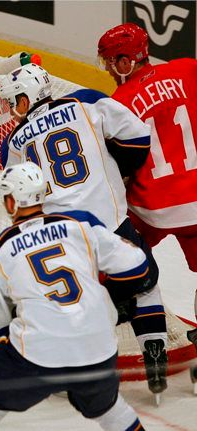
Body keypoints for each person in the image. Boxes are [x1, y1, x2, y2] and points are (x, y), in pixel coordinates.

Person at [0, 161, 151, 430]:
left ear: (12, 201)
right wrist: (109, 302)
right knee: (111, 410)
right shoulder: (80, 223)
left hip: (39, 354)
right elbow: (137, 267)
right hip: (99, 348)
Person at [0, 63, 169, 398]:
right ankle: (155, 353)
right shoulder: (86, 101)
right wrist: (116, 165)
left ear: (25, 98)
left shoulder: (13, 142)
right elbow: (137, 135)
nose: (10, 110)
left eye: (12, 101)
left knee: (73, 297)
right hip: (109, 219)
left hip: (62, 234)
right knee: (145, 283)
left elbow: (17, 196)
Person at [97, 22, 197, 385]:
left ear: (126, 61)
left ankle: (128, 316)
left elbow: (117, 167)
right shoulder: (187, 68)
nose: (108, 69)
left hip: (150, 208)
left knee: (123, 257)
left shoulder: (116, 104)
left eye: (111, 62)